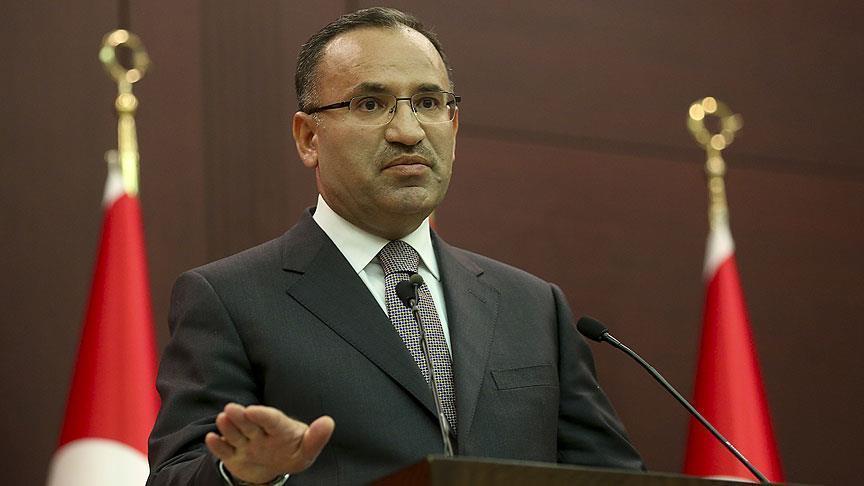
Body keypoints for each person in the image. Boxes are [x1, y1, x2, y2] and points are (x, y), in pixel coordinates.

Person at [147, 7, 643, 485]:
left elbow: (614, 477)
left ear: (453, 127)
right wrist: (245, 476)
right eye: (370, 104)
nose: (408, 132)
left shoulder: (532, 307)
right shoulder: (230, 300)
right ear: (308, 138)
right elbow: (176, 475)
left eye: (428, 103)